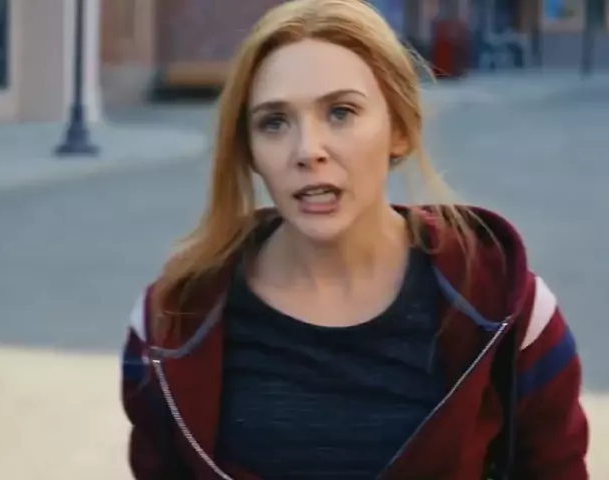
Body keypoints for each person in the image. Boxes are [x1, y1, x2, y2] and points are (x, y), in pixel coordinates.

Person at [121, 0, 589, 478]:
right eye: (274, 122)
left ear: (400, 129)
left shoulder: (509, 310)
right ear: (249, 151)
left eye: (341, 113)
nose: (308, 151)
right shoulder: (170, 324)